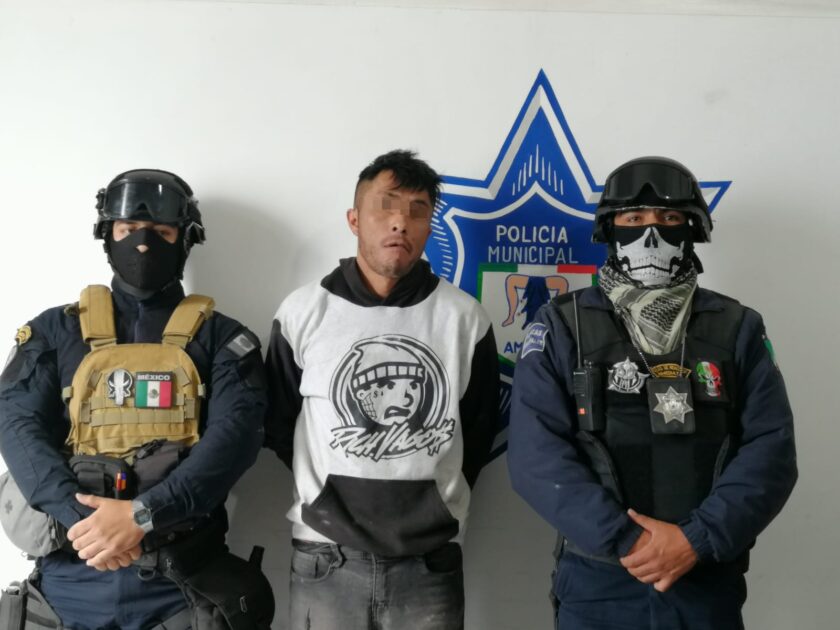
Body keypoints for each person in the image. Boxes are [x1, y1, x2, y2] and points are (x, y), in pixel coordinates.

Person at [507, 156, 797, 629]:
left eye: (669, 217)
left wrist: (695, 540)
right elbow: (534, 455)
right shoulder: (562, 325)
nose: (651, 233)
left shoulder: (738, 327)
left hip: (704, 578)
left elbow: (772, 450)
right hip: (600, 581)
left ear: (692, 229)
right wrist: (630, 541)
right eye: (633, 218)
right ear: (610, 229)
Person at [0, 169, 273, 629]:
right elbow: (15, 425)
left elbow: (236, 439)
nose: (143, 245)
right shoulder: (54, 330)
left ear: (186, 240)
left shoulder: (224, 339)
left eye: (162, 233)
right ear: (107, 236)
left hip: (182, 586)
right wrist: (86, 522)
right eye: (128, 230)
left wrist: (141, 517)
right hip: (70, 579)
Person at [265, 149, 500, 630]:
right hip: (325, 556)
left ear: (429, 227)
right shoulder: (303, 312)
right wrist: (329, 495)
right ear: (354, 219)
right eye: (386, 206)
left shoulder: (464, 318)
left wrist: (432, 504)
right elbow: (278, 421)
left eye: (417, 211)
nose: (400, 223)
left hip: (430, 561)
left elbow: (478, 428)